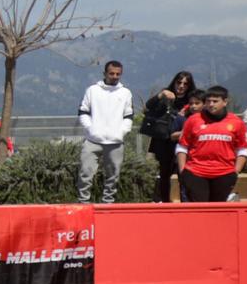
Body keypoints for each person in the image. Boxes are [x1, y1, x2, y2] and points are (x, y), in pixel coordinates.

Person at [177, 86, 247, 203]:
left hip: (225, 173)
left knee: (218, 210)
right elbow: (182, 147)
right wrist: (182, 171)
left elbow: (243, 149)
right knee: (199, 211)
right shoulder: (193, 120)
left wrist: (236, 171)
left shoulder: (237, 122)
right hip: (195, 172)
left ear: (225, 102)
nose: (211, 104)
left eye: (215, 101)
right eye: (208, 101)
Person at [76, 60, 134, 203]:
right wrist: (90, 128)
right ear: (105, 73)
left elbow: (128, 115)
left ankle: (108, 203)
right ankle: (83, 202)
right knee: (85, 173)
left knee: (113, 175)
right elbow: (83, 111)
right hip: (93, 140)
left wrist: (122, 131)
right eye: (112, 73)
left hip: (115, 141)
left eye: (118, 74)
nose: (115, 76)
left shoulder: (125, 92)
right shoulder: (92, 90)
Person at [140, 71, 196, 203]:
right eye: (179, 82)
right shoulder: (165, 95)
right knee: (164, 174)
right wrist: (161, 95)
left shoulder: (192, 100)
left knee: (184, 174)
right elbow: (148, 107)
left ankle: (186, 202)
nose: (181, 86)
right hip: (163, 141)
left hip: (183, 142)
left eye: (185, 84)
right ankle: (164, 202)